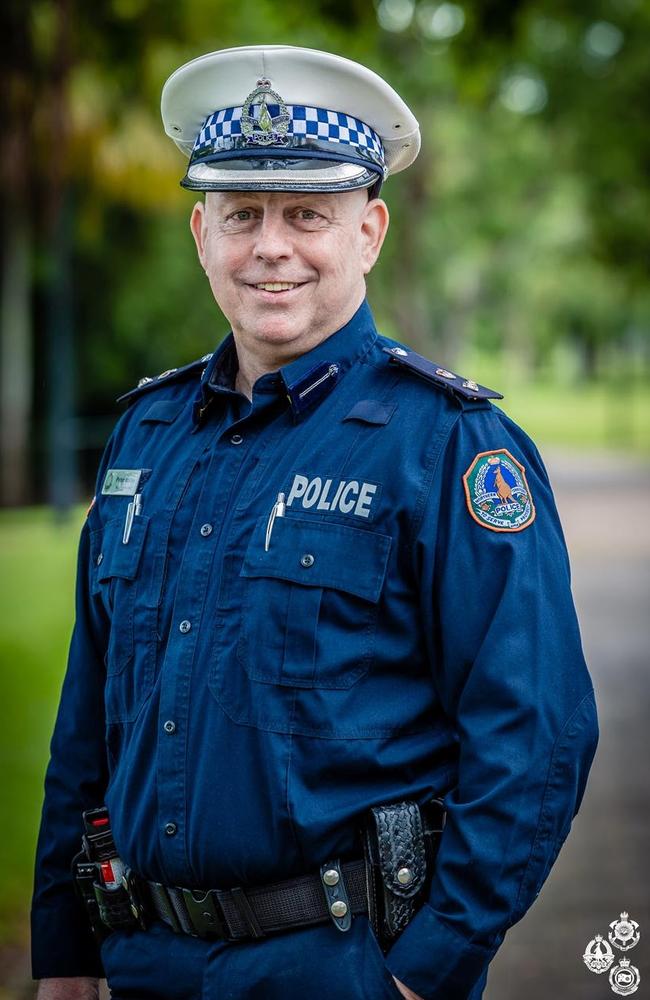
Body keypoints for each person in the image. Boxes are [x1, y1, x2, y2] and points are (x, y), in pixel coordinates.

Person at [31, 44, 598, 1000]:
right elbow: (86, 723)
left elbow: (536, 735)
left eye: (308, 215)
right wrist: (62, 949)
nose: (271, 246)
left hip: (343, 967)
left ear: (370, 232)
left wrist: (430, 967)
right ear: (201, 234)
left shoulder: (448, 446)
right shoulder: (148, 434)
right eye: (242, 214)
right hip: (144, 961)